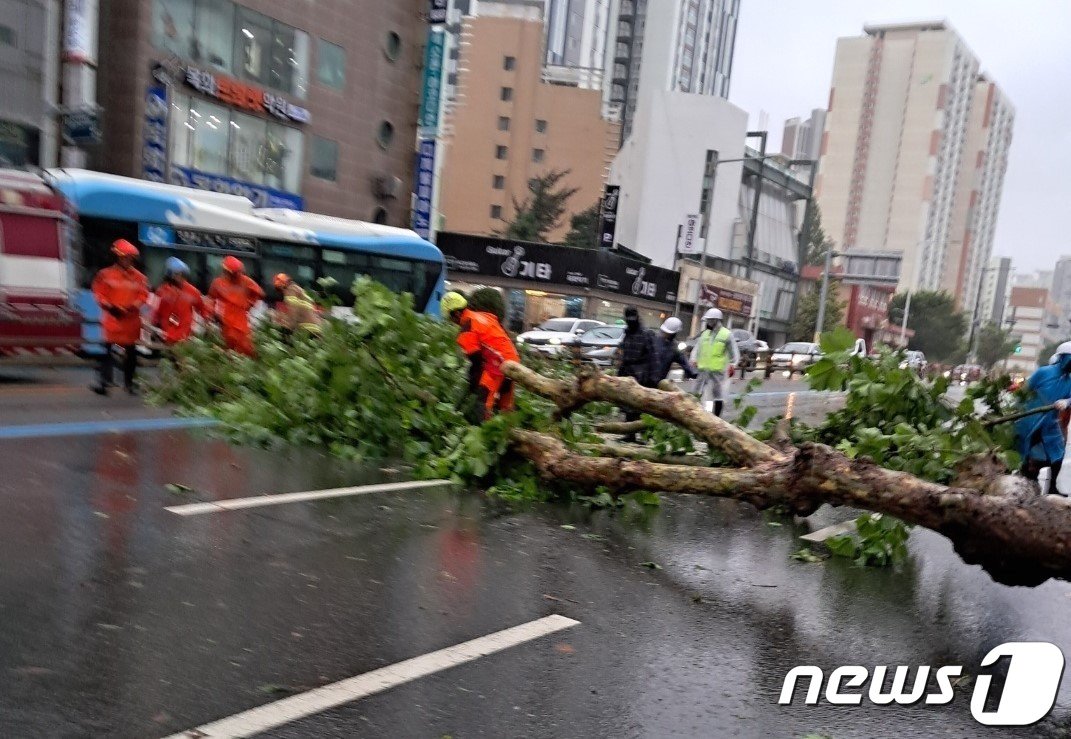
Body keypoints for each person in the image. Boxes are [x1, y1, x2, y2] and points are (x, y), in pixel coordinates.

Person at [441, 291, 520, 421]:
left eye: (451, 318)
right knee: (506, 405)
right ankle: (510, 432)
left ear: (456, 313)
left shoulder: (467, 329)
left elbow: (476, 361)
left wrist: (474, 381)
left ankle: (484, 432)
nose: (452, 322)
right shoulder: (483, 316)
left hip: (498, 364)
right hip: (513, 358)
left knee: (482, 403)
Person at [91, 239, 149, 396]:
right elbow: (98, 293)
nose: (127, 260)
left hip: (130, 322)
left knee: (131, 355)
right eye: (124, 257)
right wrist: (110, 306)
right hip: (113, 320)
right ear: (117, 257)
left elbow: (143, 296)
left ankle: (129, 384)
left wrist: (131, 307)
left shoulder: (140, 278)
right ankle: (104, 384)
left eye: (130, 258)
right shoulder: (105, 274)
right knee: (107, 353)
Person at [1015, 341, 1071, 495]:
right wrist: (1018, 409)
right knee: (1026, 454)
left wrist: (1066, 402)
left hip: (1051, 423)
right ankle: (1027, 484)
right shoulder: (1043, 372)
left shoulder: (1069, 380)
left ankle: (1052, 487)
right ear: (1063, 358)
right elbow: (1025, 391)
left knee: (1058, 454)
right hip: (1031, 420)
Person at [615, 307, 658, 439]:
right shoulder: (627, 333)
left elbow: (653, 356)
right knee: (628, 405)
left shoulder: (646, 334)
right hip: (628, 372)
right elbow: (623, 353)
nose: (631, 322)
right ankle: (630, 434)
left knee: (641, 407)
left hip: (641, 375)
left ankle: (646, 434)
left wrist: (653, 377)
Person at [208, 256, 264, 356]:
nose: (236, 275)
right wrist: (213, 313)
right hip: (226, 321)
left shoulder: (245, 281)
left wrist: (249, 304)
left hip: (240, 319)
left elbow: (259, 293)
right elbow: (211, 299)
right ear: (226, 271)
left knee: (246, 348)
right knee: (229, 346)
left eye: (237, 273)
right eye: (233, 273)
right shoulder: (217, 283)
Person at [690, 308, 740, 417]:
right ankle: (700, 415)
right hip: (703, 370)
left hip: (717, 372)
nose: (708, 323)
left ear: (716, 320)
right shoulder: (705, 334)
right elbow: (697, 348)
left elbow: (734, 354)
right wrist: (693, 359)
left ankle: (716, 418)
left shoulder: (726, 334)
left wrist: (733, 365)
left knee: (717, 396)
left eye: (710, 320)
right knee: (698, 393)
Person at [153, 257, 207, 346]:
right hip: (166, 334)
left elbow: (202, 309)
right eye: (176, 274)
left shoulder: (193, 291)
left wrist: (206, 322)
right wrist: (154, 326)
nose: (179, 277)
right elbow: (156, 311)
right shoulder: (162, 291)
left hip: (184, 336)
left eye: (181, 274)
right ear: (169, 275)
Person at [651, 316, 698, 385]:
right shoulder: (673, 348)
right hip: (654, 382)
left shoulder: (653, 340)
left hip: (652, 382)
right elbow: (688, 368)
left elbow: (688, 368)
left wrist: (696, 374)